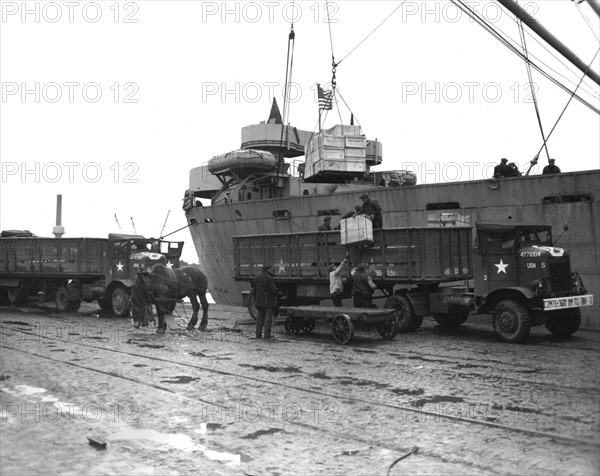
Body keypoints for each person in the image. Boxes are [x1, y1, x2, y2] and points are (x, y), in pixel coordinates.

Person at [251, 265, 278, 339]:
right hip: (268, 302)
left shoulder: (256, 278)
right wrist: (277, 291)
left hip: (259, 302)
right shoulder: (270, 279)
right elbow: (273, 291)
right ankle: (266, 336)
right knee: (267, 320)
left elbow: (254, 291)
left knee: (259, 318)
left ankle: (258, 335)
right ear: (268, 269)